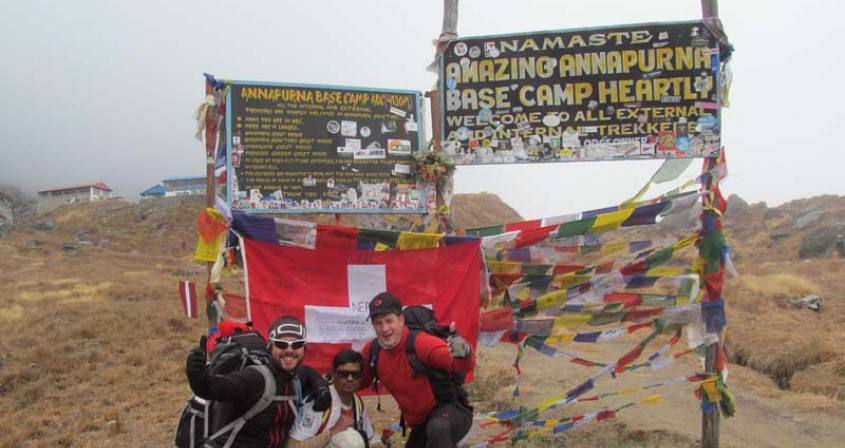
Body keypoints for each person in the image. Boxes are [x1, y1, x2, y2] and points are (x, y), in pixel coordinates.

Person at [186, 315, 330, 448]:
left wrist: (320, 385)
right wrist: (197, 376)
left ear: (304, 349)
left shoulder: (294, 377)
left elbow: (308, 372)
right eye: (281, 344)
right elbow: (216, 388)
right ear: (269, 347)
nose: (289, 350)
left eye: (296, 344)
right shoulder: (256, 378)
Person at [361, 292, 475, 448]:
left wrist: (464, 353)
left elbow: (461, 365)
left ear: (401, 320)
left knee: (438, 429)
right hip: (420, 425)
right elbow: (360, 380)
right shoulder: (373, 350)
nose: (385, 328)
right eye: (378, 323)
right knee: (432, 430)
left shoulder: (421, 343)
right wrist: (323, 381)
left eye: (389, 321)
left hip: (451, 411)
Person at [288, 349, 379, 448]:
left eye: (355, 375)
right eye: (343, 374)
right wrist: (333, 431)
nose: (350, 379)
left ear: (361, 377)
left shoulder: (358, 404)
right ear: (333, 374)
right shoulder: (320, 400)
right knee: (350, 442)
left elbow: (369, 440)